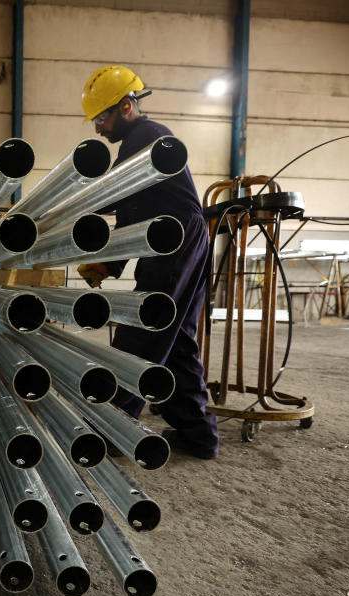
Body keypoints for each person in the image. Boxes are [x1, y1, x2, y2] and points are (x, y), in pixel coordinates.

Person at [77, 65, 219, 459]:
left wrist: (68, 203)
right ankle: (198, 435)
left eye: (102, 117)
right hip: (176, 238)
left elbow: (118, 200)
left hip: (173, 239)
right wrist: (110, 264)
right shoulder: (139, 142)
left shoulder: (148, 138)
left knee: (142, 327)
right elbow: (130, 212)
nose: (98, 129)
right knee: (175, 343)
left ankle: (116, 427)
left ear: (126, 106)